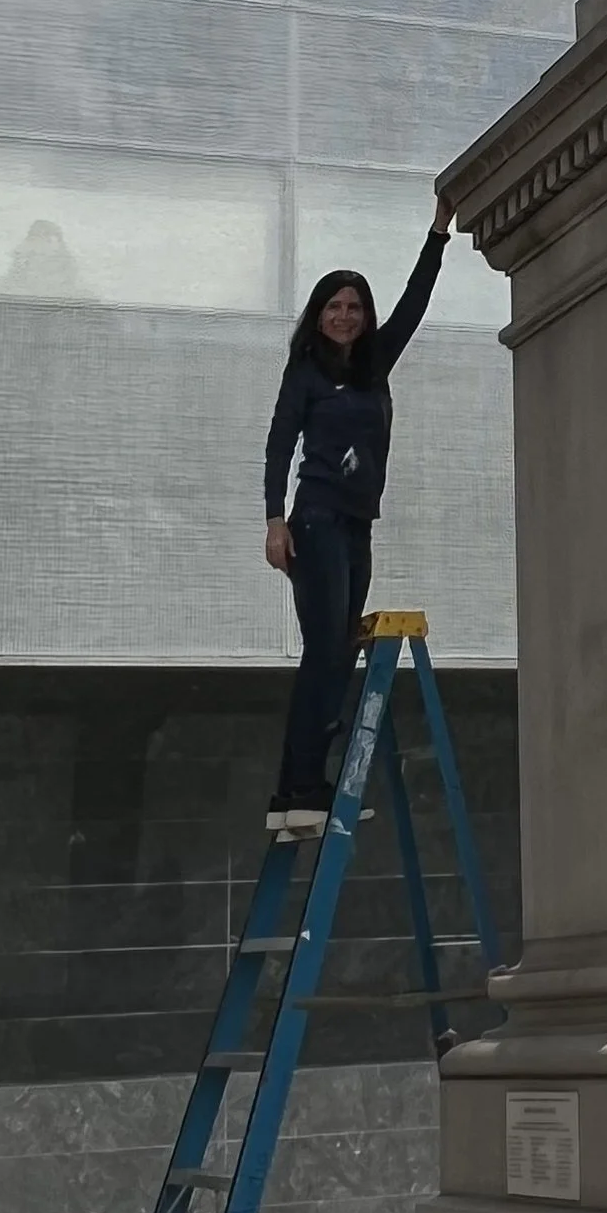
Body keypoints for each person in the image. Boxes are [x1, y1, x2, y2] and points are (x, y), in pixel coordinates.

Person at [262, 203, 453, 836]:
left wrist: (437, 228)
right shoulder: (306, 374)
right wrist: (274, 521)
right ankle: (300, 787)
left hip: (356, 527)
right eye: (334, 306)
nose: (345, 317)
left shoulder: (374, 367)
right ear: (318, 316)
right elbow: (278, 444)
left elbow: (416, 302)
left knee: (334, 655)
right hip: (314, 523)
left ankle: (297, 795)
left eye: (355, 307)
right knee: (324, 653)